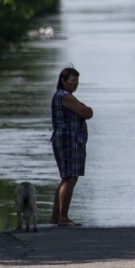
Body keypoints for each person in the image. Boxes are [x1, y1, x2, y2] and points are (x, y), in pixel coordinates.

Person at [50, 66, 93, 226]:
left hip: (67, 140)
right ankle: (63, 218)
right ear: (63, 80)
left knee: (66, 178)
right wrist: (85, 107)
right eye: (72, 80)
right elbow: (87, 113)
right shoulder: (65, 96)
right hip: (69, 141)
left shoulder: (62, 96)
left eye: (77, 81)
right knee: (70, 178)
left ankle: (56, 216)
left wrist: (83, 107)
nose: (75, 84)